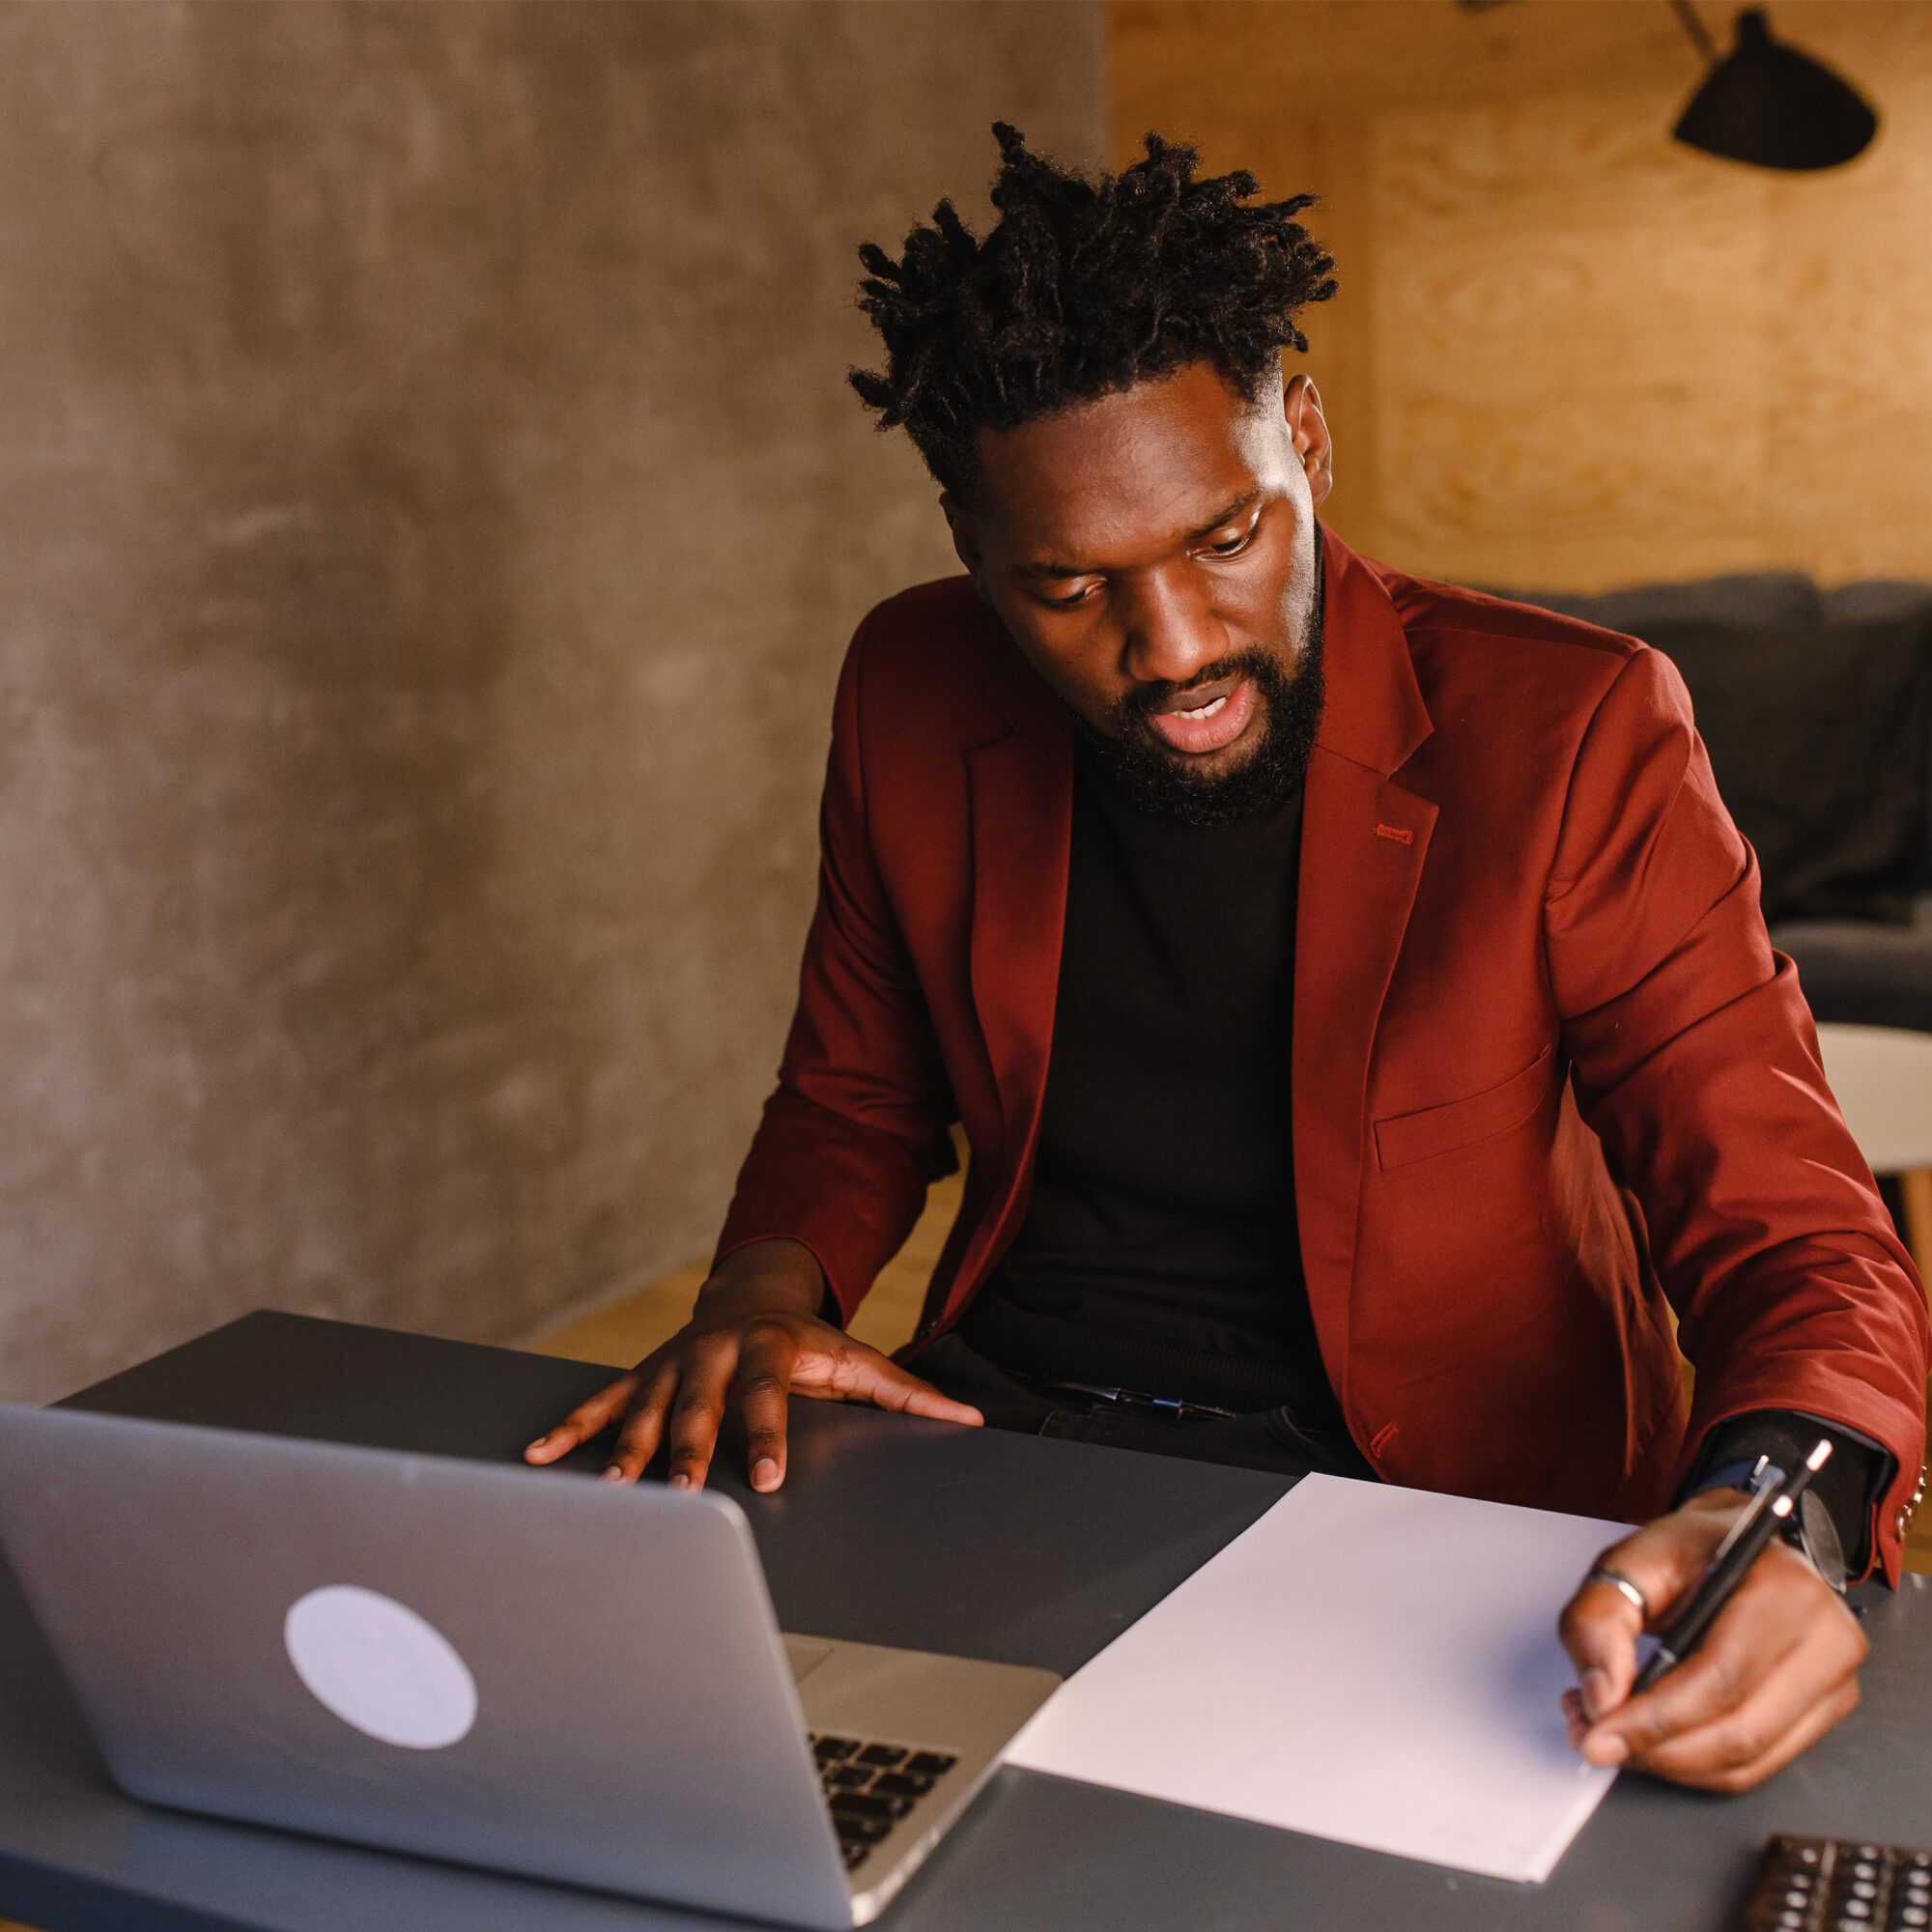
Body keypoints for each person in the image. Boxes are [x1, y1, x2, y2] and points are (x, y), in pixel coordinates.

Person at [527, 127, 1928, 1794]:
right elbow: (853, 1089)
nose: (1174, 649)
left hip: (1427, 1505)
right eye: (1066, 587)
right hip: (1004, 1445)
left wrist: (1789, 1510)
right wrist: (758, 1306)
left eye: (1222, 538)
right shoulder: (910, 686)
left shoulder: (1574, 732)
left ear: (1308, 444)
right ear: (971, 552)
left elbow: (1795, 1232)